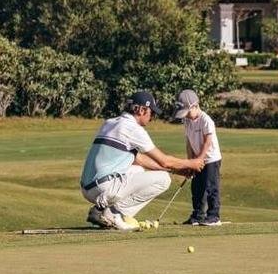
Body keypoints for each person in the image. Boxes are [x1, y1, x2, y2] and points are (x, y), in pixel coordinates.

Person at [80, 90, 204, 231]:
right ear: (141, 110)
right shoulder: (133, 129)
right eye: (151, 112)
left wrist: (177, 170)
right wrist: (191, 163)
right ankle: (114, 213)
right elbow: (164, 160)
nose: (151, 117)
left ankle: (106, 211)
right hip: (103, 188)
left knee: (138, 170)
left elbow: (139, 160)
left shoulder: (109, 123)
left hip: (87, 188)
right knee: (163, 179)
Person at [173, 89, 223, 226]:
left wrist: (200, 158)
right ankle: (198, 216)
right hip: (196, 160)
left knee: (211, 187)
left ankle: (214, 216)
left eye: (187, 112)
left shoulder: (206, 120)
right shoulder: (187, 121)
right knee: (197, 188)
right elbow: (189, 142)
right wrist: (190, 163)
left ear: (195, 106)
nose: (186, 116)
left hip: (211, 159)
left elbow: (208, 141)